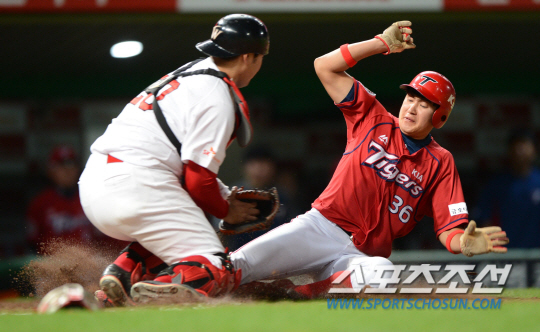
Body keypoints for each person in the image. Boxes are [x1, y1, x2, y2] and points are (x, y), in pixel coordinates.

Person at [227, 21, 510, 297]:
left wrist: (463, 243)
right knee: (237, 264)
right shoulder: (373, 117)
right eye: (410, 98)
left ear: (440, 117)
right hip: (321, 228)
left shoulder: (440, 162)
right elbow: (324, 66)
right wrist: (380, 44)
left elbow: (449, 229)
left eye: (424, 104)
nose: (411, 107)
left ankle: (292, 292)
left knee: (383, 273)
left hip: (360, 256)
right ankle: (190, 290)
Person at [78, 14, 269, 305]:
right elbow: (197, 180)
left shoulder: (190, 73)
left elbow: (184, 167)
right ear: (248, 57)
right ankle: (151, 295)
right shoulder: (217, 94)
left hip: (96, 183)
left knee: (178, 239)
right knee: (215, 265)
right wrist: (226, 210)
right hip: (139, 185)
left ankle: (123, 276)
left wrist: (225, 196)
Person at [27, 145, 113, 254]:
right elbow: (32, 243)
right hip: (52, 265)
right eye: (61, 166)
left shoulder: (92, 199)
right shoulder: (40, 203)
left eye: (71, 165)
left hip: (88, 264)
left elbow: (105, 241)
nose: (67, 171)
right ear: (50, 170)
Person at [474, 129, 540, 248]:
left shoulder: (538, 181)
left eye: (525, 145)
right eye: (516, 146)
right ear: (509, 151)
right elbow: (485, 221)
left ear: (534, 150)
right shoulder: (497, 185)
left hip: (536, 254)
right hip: (506, 255)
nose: (520, 150)